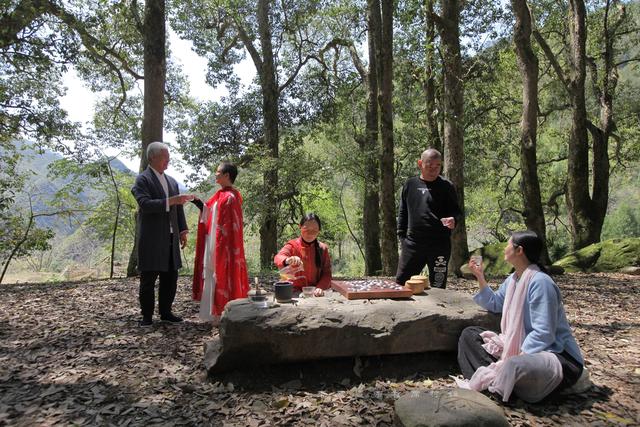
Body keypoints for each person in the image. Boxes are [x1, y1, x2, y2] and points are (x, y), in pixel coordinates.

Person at [456, 231, 584, 403]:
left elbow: (544, 333)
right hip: (518, 348)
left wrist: (514, 357)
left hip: (556, 355)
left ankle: (499, 386)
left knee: (513, 365)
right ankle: (498, 382)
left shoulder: (541, 283)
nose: (504, 248)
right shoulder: (514, 279)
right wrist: (480, 276)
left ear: (519, 251)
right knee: (470, 335)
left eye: (508, 244)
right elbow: (494, 302)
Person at [131, 141, 194, 327]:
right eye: (164, 157)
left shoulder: (172, 181)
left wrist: (182, 230)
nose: (168, 160)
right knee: (149, 277)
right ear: (152, 158)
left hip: (171, 236)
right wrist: (170, 200)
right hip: (151, 237)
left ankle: (166, 312)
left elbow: (178, 209)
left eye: (168, 157)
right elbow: (145, 205)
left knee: (170, 276)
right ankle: (147, 316)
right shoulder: (143, 180)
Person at [396, 148, 462, 288]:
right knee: (402, 283)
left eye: (437, 166)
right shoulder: (410, 185)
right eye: (429, 165)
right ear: (420, 164)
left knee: (438, 285)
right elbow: (403, 212)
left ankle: (438, 310)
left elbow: (456, 212)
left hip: (439, 245)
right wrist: (402, 238)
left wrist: (453, 220)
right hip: (413, 244)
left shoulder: (446, 186)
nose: (434, 169)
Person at [192, 162, 249, 322]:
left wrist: (227, 245)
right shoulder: (219, 195)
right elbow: (209, 212)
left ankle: (224, 313)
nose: (215, 174)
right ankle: (212, 314)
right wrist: (199, 205)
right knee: (212, 273)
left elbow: (233, 227)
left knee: (223, 273)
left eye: (218, 172)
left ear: (226, 175)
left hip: (225, 245)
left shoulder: (232, 197)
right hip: (214, 241)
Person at [274, 213, 332, 297]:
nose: (310, 233)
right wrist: (288, 260)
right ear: (300, 227)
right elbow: (278, 257)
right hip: (293, 292)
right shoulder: (292, 245)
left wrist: (320, 287)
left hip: (314, 293)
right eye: (306, 229)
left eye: (314, 230)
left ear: (319, 231)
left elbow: (327, 273)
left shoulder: (323, 248)